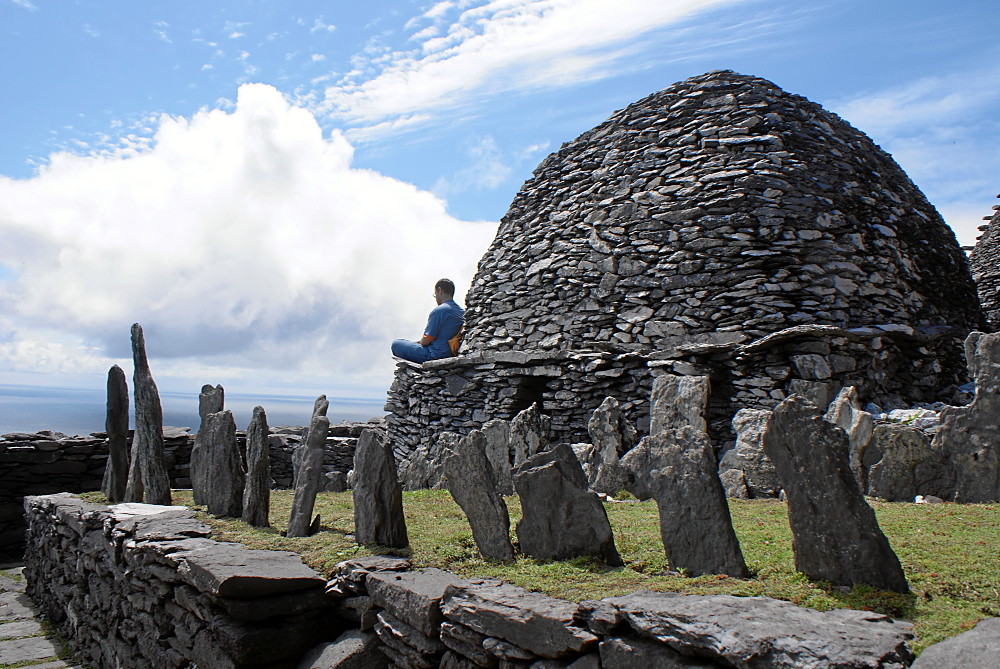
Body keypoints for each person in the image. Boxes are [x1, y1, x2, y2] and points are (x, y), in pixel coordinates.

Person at [391, 278, 465, 363]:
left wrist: (416, 343)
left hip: (435, 354)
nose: (436, 298)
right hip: (451, 352)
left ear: (440, 291)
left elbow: (425, 341)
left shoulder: (440, 311)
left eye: (435, 294)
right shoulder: (461, 311)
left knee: (396, 344)